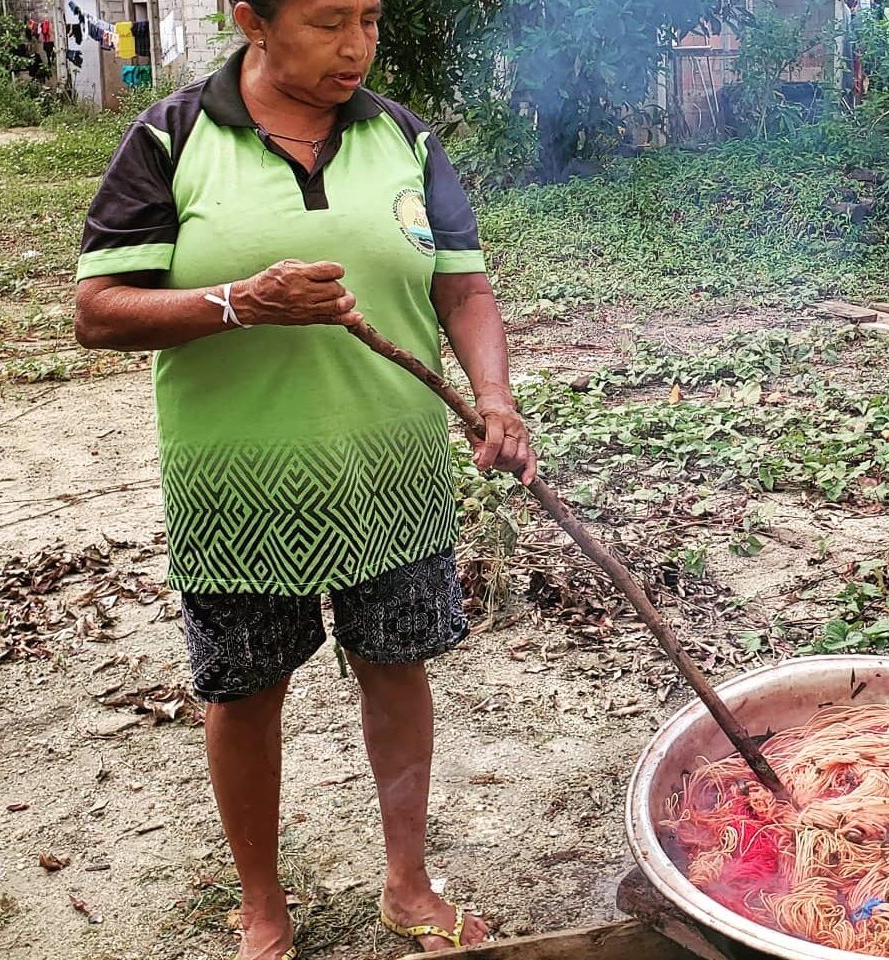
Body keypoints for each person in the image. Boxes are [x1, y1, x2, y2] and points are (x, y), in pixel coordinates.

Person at [73, 0, 536, 956]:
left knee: (395, 667)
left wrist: (495, 394)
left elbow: (463, 285)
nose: (357, 46)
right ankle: (262, 906)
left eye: (369, 18)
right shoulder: (171, 138)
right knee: (244, 692)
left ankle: (407, 884)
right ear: (252, 18)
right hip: (240, 486)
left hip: (394, 475)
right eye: (330, 21)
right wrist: (237, 302)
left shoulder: (404, 137)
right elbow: (99, 311)